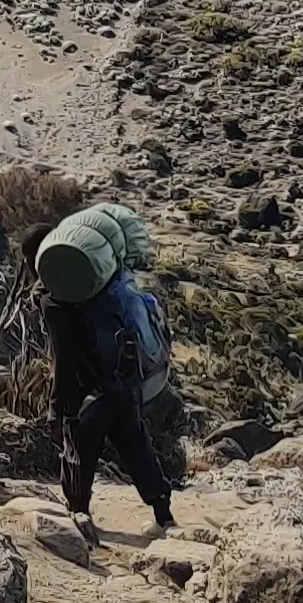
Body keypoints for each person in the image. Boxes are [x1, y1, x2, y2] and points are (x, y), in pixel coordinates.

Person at [31, 201, 180, 533]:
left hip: (92, 393)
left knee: (78, 454)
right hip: (122, 383)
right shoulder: (101, 285)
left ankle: (79, 518)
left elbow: (64, 356)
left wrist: (61, 405)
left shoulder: (55, 302)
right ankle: (163, 513)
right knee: (135, 444)